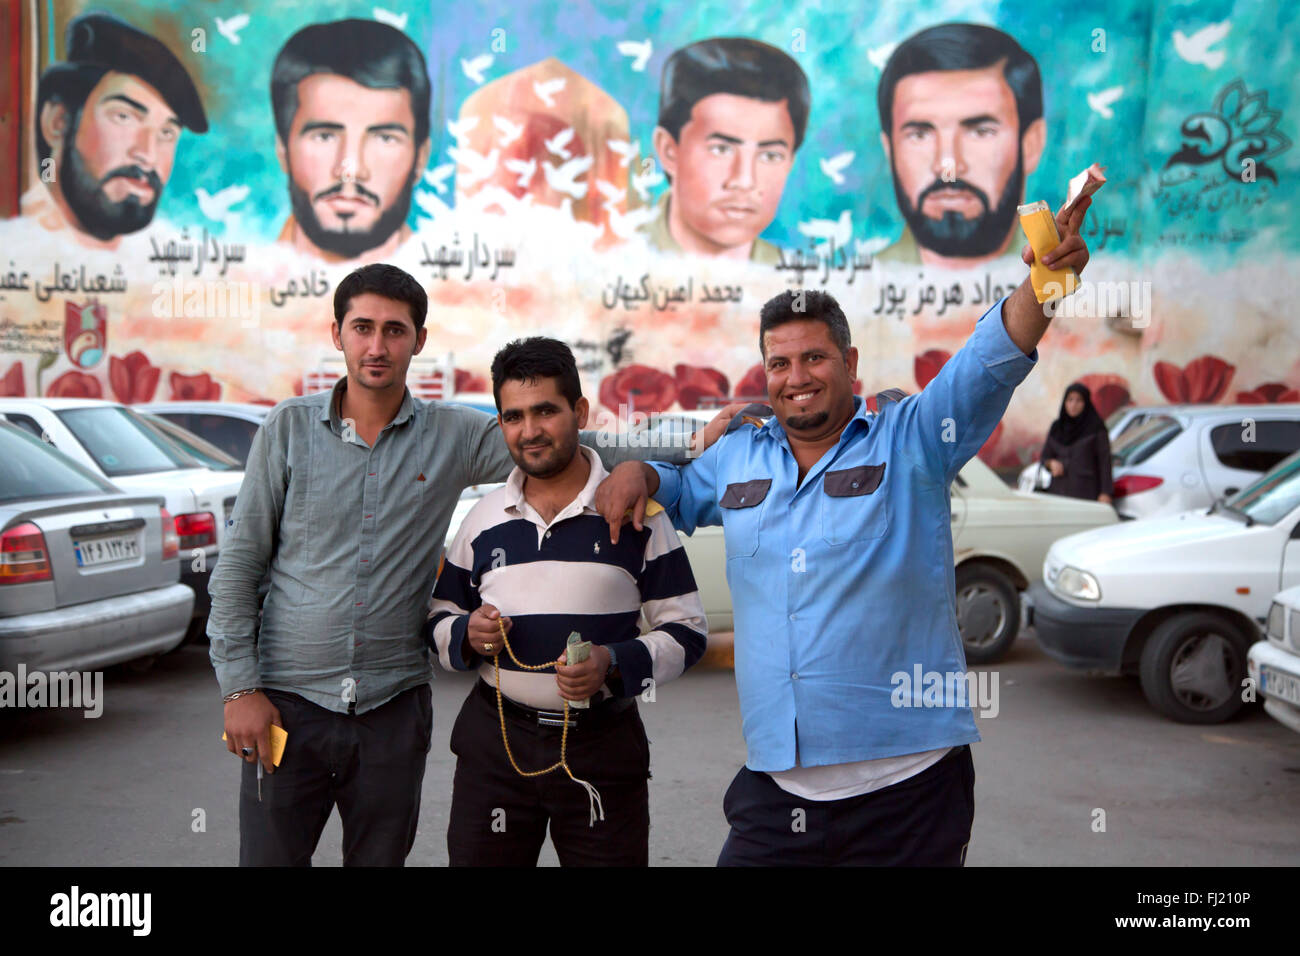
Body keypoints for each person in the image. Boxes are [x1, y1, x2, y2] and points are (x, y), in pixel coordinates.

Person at [597, 198, 1093, 866]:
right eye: (779, 363)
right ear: (765, 372)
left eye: (814, 358)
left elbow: (991, 356)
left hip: (909, 789)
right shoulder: (740, 455)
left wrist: (1046, 283)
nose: (796, 378)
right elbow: (680, 489)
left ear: (849, 360)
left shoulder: (913, 437)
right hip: (778, 786)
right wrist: (641, 472)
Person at [209, 263, 736, 866]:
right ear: (337, 334)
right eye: (362, 328)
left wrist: (688, 443)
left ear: (419, 340)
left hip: (392, 708)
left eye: (395, 330)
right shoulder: (287, 429)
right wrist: (240, 689)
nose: (377, 346)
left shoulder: (452, 435)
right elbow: (240, 565)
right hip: (285, 701)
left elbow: (574, 442)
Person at [428, 337, 708, 866]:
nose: (529, 431)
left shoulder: (638, 515)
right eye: (513, 416)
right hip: (495, 746)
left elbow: (688, 631)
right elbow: (438, 621)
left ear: (579, 411)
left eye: (545, 411)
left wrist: (613, 663)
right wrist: (465, 634)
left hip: (603, 749)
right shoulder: (482, 519)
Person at [28, 11, 208, 248]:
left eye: (167, 133)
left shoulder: (168, 252)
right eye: (124, 117)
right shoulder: (17, 244)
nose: (147, 155)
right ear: (58, 121)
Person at [874, 23, 1045, 270]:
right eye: (920, 135)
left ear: (1031, 144)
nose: (948, 166)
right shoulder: (857, 294)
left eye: (980, 132)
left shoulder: (1073, 293)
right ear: (889, 150)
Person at [270, 19, 431, 261]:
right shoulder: (240, 284)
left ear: (420, 158)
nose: (351, 169)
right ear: (283, 149)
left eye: (385, 139)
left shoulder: (461, 291)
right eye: (324, 137)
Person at [644, 37, 809, 262]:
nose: (744, 180)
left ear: (790, 161)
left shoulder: (798, 282)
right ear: (669, 151)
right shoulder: (606, 261)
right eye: (721, 149)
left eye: (770, 155)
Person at [1038, 383, 1113, 503]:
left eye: (1079, 400)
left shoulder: (1096, 428)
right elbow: (1045, 456)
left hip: (1085, 493)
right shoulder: (1057, 427)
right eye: (1070, 400)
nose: (1073, 405)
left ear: (1086, 403)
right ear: (1065, 402)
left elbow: (1105, 462)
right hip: (1058, 492)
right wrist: (1051, 464)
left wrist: (1106, 492)